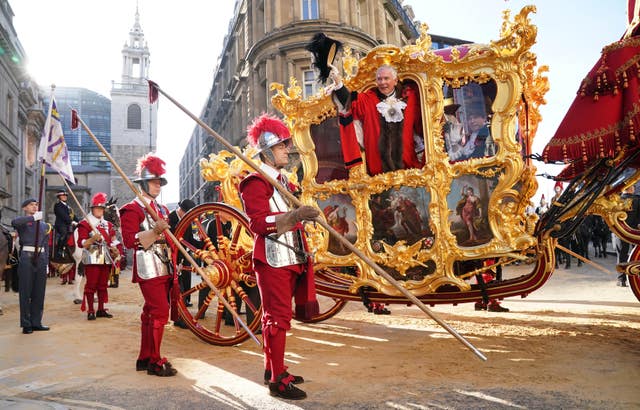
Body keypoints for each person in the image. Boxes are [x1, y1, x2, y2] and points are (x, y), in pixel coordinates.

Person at [239, 114, 320, 400]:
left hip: (291, 254)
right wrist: (294, 215)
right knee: (277, 319)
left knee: (274, 318)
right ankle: (277, 380)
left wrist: (303, 218)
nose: (287, 149)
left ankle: (273, 367)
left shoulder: (283, 180)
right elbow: (259, 224)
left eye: (286, 145)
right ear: (268, 151)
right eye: (282, 146)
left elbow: (290, 218)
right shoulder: (254, 182)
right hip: (273, 257)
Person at [119, 153, 177, 377]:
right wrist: (154, 231)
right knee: (160, 311)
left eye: (159, 182)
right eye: (154, 182)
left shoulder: (161, 210)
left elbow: (169, 239)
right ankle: (154, 361)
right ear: (143, 183)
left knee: (150, 313)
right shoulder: (132, 209)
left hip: (164, 266)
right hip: (148, 267)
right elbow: (129, 240)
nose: (158, 186)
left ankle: (144, 357)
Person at [329, 64, 425, 175]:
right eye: (379, 79)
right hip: (378, 171)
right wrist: (338, 81)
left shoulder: (409, 96)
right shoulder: (368, 99)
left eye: (386, 78)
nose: (382, 82)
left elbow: (422, 123)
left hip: (408, 168)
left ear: (395, 80)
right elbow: (349, 101)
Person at [77, 192, 123, 320]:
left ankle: (101, 309)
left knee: (103, 285)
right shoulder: (85, 223)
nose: (100, 211)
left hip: (106, 256)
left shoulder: (107, 224)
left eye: (102, 209)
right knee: (91, 285)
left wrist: (115, 249)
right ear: (92, 209)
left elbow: (113, 239)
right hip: (92, 256)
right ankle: (91, 310)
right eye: (97, 208)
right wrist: (91, 239)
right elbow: (82, 243)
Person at [11, 198, 52, 334]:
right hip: (27, 257)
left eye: (36, 205)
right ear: (25, 208)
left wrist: (46, 263)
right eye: (31, 205)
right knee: (26, 291)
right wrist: (33, 218)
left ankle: (36, 322)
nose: (34, 207)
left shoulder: (44, 226)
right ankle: (26, 323)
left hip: (40, 258)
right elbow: (14, 222)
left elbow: (46, 245)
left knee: (39, 292)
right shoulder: (23, 222)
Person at [168, 198, 197, 329]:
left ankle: (183, 312)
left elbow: (190, 240)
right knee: (178, 289)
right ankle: (179, 317)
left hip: (184, 258)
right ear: (181, 210)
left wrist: (205, 245)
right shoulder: (170, 219)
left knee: (185, 286)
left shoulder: (187, 221)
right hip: (171, 258)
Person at [613, 185, 640, 287]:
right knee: (636, 256)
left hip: (620, 231)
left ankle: (621, 280)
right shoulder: (637, 200)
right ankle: (635, 278)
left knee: (621, 254)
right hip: (634, 232)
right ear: (632, 189)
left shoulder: (617, 200)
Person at [53, 190, 78, 285]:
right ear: (59, 197)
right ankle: (60, 248)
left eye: (65, 195)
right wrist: (71, 221)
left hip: (69, 225)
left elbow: (73, 216)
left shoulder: (68, 207)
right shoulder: (58, 205)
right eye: (62, 196)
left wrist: (78, 222)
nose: (64, 197)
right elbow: (63, 216)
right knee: (63, 235)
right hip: (61, 225)